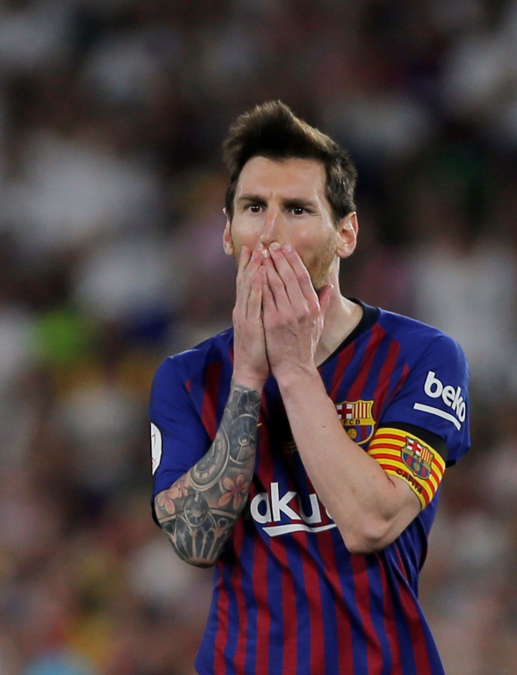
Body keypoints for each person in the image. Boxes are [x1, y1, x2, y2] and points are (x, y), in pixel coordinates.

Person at [149, 101, 471, 675]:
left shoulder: (420, 357)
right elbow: (195, 543)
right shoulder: (188, 376)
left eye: (297, 209)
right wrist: (249, 378)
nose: (270, 232)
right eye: (253, 208)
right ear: (227, 232)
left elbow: (371, 522)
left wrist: (294, 369)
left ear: (346, 233)